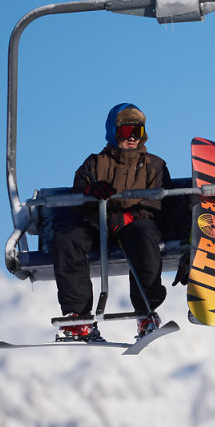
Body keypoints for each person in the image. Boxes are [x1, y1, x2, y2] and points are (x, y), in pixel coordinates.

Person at [54, 102, 172, 341]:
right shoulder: (95, 163)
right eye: (126, 132)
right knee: (68, 240)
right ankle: (79, 317)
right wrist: (90, 191)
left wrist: (130, 215)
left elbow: (160, 204)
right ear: (114, 132)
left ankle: (146, 311)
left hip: (134, 224)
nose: (132, 139)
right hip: (99, 223)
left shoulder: (154, 165)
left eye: (137, 132)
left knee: (144, 236)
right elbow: (76, 199)